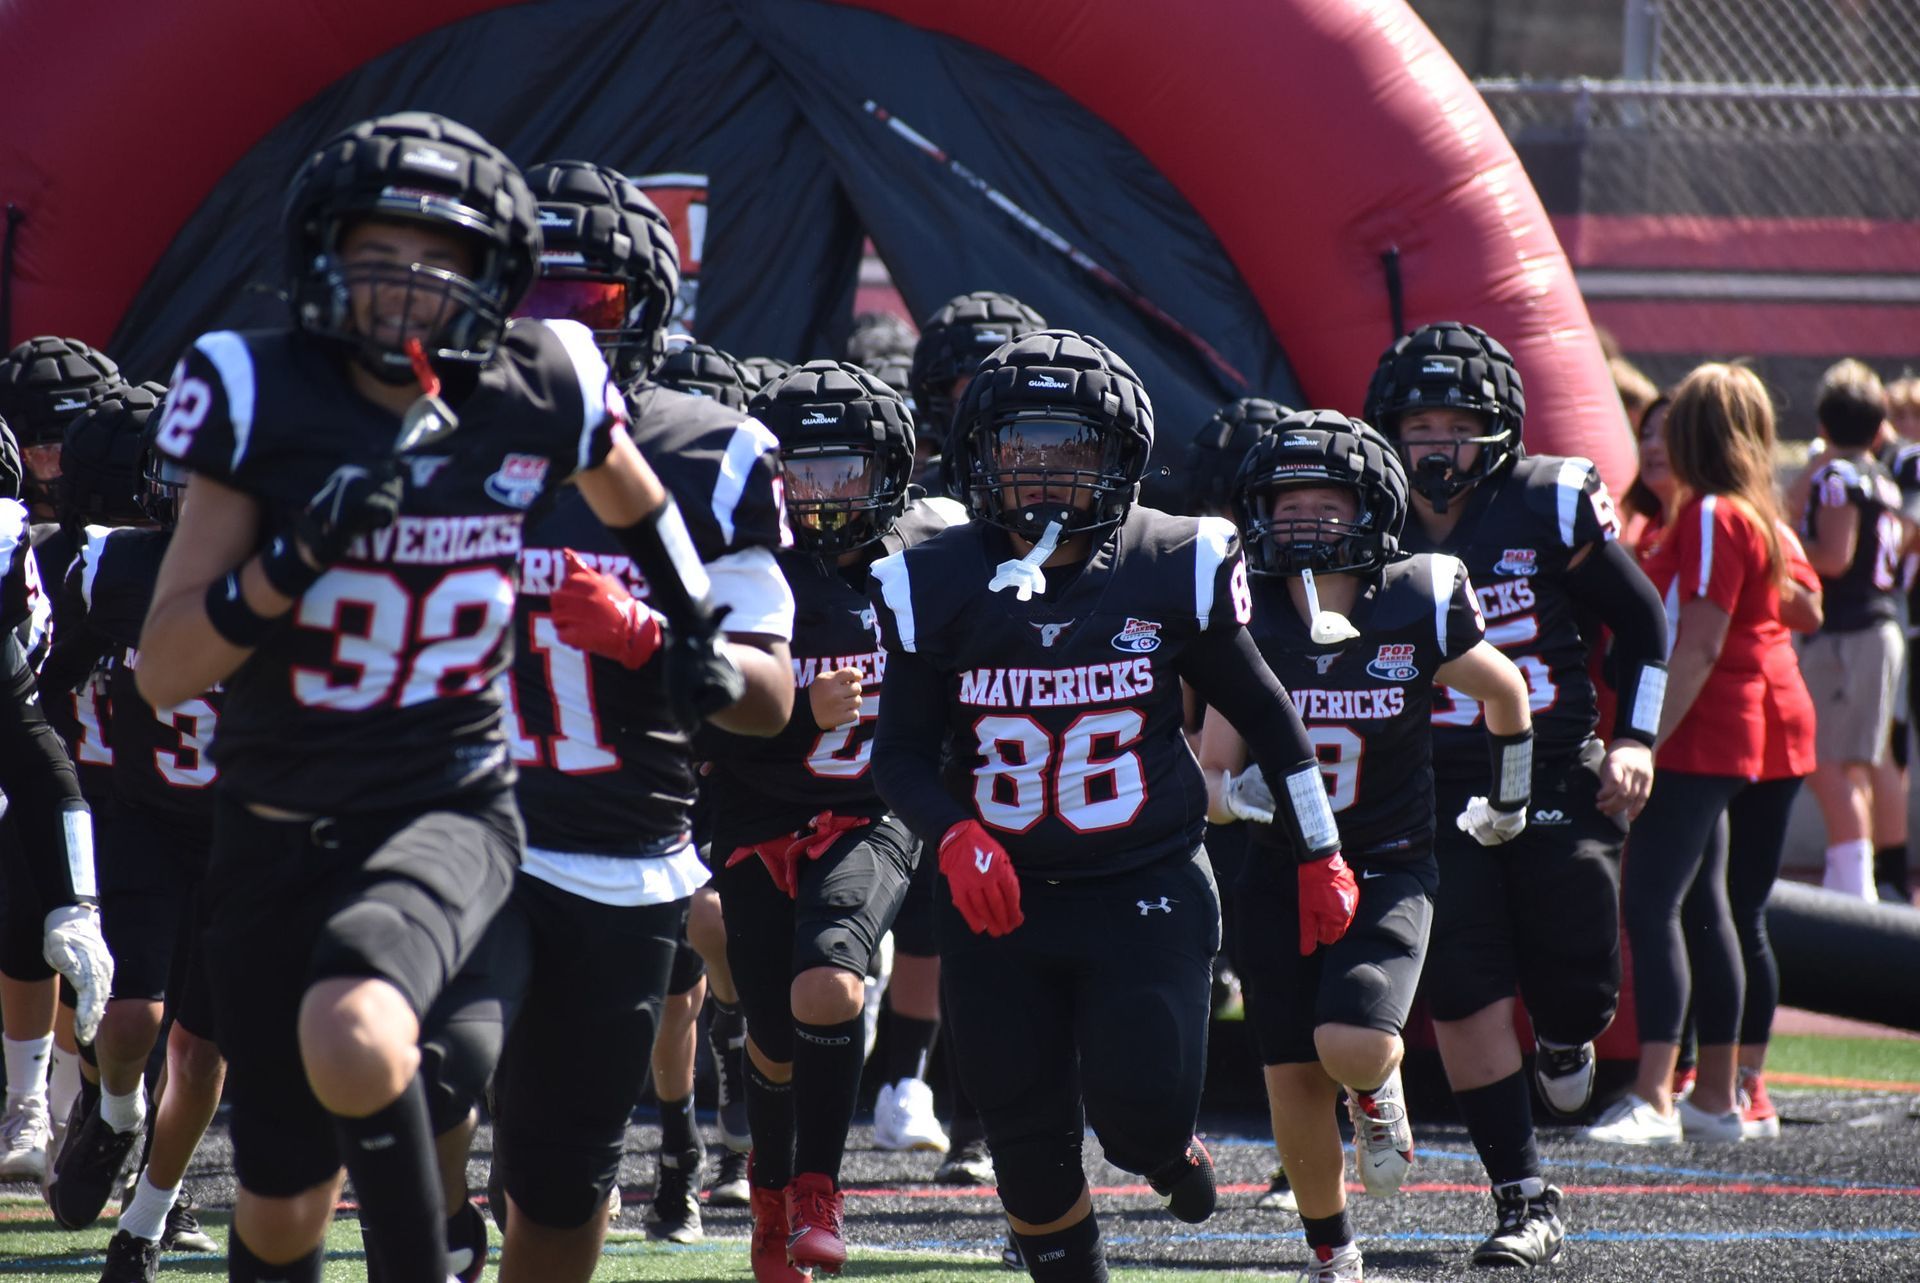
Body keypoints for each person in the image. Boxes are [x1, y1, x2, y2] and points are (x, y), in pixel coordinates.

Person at [134, 112, 745, 1283]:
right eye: (379, 249)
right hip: (272, 824)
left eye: (443, 257)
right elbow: (166, 669)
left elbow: (634, 496)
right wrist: (292, 562)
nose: (409, 285)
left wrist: (692, 620)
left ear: (494, 274)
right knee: (278, 1207)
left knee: (354, 1031)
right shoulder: (253, 387)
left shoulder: (543, 377)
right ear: (323, 253)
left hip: (447, 802)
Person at [869, 330, 1354, 1283]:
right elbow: (898, 755)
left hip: (1145, 880)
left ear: (1120, 456)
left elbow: (1267, 712)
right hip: (997, 893)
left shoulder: (1170, 560)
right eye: (1021, 448)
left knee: (1138, 1114)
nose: (1044, 474)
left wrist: (1320, 849)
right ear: (978, 454)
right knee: (1026, 1140)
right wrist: (954, 829)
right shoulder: (939, 580)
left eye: (1071, 449)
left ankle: (1167, 1149)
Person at [478, 157, 795, 1282]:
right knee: (410, 1076)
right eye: (531, 298)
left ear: (648, 311)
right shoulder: (428, 430)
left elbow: (770, 699)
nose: (557, 328)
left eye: (589, 302)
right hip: (451, 831)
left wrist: (660, 640)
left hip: (617, 854)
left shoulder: (708, 449)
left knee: (560, 1183)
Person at [1200, 411, 1532, 1283]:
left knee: (1349, 1044)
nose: (1305, 518)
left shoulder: (1414, 597)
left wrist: (1510, 799)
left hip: (1385, 863)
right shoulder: (1249, 614)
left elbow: (1508, 693)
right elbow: (1210, 770)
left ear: (1372, 508)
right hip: (1277, 870)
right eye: (1288, 500)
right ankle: (1333, 1250)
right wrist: (1238, 795)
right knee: (1289, 1080)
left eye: (1326, 499)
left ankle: (1377, 1085)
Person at [1366, 321, 1667, 1269]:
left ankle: (1569, 1037)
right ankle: (1523, 1196)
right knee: (1459, 988)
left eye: (1457, 423)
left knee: (1576, 972)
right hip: (1430, 781)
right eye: (1420, 424)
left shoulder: (1549, 502)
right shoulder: (1369, 518)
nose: (1436, 444)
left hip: (1546, 765)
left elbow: (1647, 625)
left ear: (1497, 430)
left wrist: (1638, 739)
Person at [699, 360, 960, 1279]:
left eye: (843, 468)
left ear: (890, 469)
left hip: (868, 813)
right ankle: (770, 1200)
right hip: (756, 809)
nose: (820, 494)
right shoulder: (743, 572)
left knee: (830, 985)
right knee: (772, 1033)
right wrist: (796, 711)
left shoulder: (932, 558)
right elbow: (692, 720)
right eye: (800, 472)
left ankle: (818, 1188)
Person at [1586, 364, 1817, 1146]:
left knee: (1653, 902)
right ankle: (1714, 1093)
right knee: (1705, 908)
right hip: (1714, 729)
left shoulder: (1718, 514)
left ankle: (1659, 1093)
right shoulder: (1726, 511)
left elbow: (1702, 639)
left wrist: (1642, 738)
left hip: (1703, 730)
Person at [34, 392, 228, 1279]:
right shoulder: (118, 568)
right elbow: (50, 682)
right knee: (130, 1017)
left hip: (247, 836)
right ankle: (113, 1111)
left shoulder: (303, 576)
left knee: (201, 1044)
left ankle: (144, 1224)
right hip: (148, 818)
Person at [0, 337, 122, 1187]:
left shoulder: (94, 547)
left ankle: (87, 1112)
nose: (54, 462)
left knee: (62, 931)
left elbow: (25, 724)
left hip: (110, 765)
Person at [1797, 360, 1901, 900]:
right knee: (1851, 768)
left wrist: (1784, 548)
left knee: (1828, 765)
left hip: (1847, 633)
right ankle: (1854, 888)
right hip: (1874, 628)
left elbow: (1834, 558)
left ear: (1824, 422)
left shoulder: (1837, 478)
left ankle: (1853, 896)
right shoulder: (1880, 477)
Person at [907, 291, 1047, 493]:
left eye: (1002, 395)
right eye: (971, 395)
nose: (988, 415)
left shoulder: (1057, 488)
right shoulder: (923, 501)